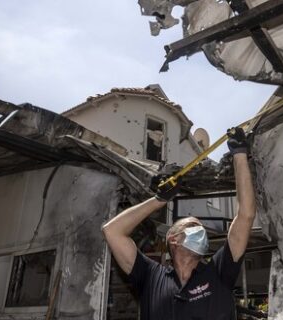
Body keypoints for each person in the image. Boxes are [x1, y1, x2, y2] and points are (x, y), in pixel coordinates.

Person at [102, 127, 256, 320]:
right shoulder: (150, 276)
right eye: (192, 227)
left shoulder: (218, 271)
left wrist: (240, 154)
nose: (200, 231)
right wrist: (158, 200)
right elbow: (112, 231)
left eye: (200, 228)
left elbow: (246, 215)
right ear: (173, 239)